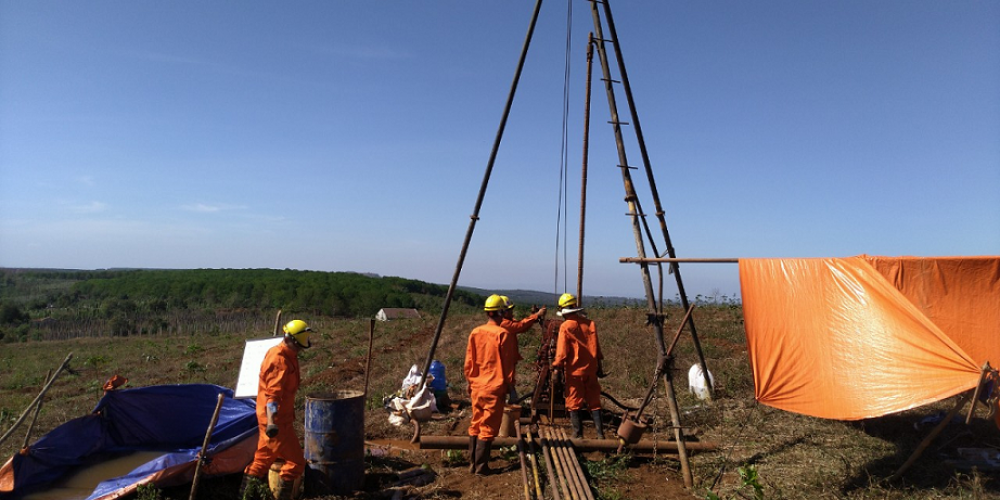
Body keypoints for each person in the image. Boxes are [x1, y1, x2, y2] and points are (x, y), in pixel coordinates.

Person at [239, 319, 313, 500]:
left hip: (275, 418)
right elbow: (273, 396)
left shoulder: (288, 354)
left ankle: (245, 496)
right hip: (276, 422)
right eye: (299, 346)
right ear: (292, 341)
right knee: (296, 462)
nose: (300, 350)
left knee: (262, 460)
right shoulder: (279, 360)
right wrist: (272, 422)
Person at [464, 294, 512, 476]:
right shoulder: (503, 335)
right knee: (488, 427)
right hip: (494, 387)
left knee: (475, 423)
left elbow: (469, 362)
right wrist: (510, 386)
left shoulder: (476, 332)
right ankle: (481, 467)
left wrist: (470, 382)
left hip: (477, 386)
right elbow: (507, 366)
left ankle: (472, 464)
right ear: (500, 312)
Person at [551, 293, 606, 439]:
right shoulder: (590, 324)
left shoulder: (566, 326)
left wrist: (556, 368)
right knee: (594, 401)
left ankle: (577, 434)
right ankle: (600, 435)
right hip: (591, 369)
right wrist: (599, 366)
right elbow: (596, 348)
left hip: (575, 372)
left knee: (574, 402)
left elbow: (562, 351)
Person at [499, 296, 546, 403]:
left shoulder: (508, 321)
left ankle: (511, 401)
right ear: (502, 312)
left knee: (508, 380)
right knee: (505, 380)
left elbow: (522, 327)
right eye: (509, 310)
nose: (512, 312)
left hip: (508, 358)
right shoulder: (503, 323)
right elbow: (519, 326)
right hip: (503, 358)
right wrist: (536, 316)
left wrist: (535, 318)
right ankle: (509, 402)